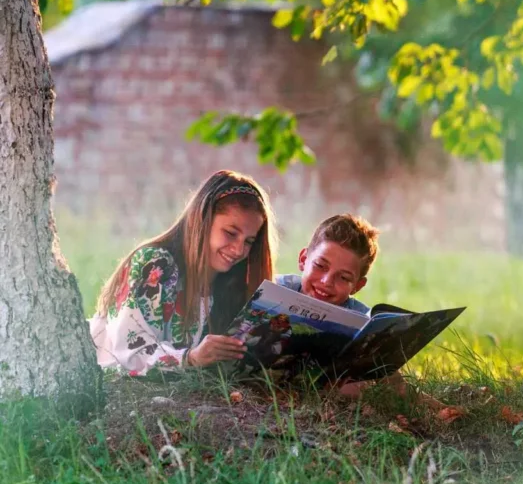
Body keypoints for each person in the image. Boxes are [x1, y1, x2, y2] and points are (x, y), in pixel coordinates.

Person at [89, 170, 277, 375]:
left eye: (249, 241)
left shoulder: (233, 281)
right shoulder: (155, 264)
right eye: (230, 233)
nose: (239, 250)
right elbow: (129, 355)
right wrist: (190, 358)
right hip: (101, 378)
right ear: (202, 220)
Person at [277, 215, 458, 415]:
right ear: (303, 259)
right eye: (320, 266)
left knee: (360, 384)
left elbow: (392, 380)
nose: (327, 282)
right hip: (270, 375)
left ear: (357, 286)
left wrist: (438, 408)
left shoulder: (361, 319)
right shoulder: (276, 288)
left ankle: (443, 411)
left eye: (343, 277)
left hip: (324, 384)